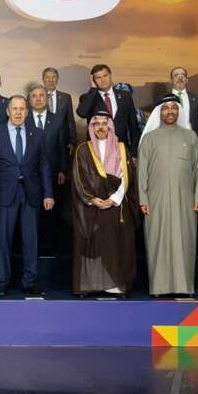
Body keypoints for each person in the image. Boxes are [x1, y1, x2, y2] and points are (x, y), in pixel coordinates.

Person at [0, 96, 54, 297]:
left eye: (22, 109)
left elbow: (44, 166)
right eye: (14, 109)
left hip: (31, 193)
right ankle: (2, 282)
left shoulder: (37, 134)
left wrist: (48, 194)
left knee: (31, 240)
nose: (18, 112)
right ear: (7, 111)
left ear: (27, 112)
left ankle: (29, 282)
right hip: (4, 194)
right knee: (3, 240)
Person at [137, 95, 198, 297]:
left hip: (185, 199)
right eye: (165, 108)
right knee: (157, 240)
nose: (170, 111)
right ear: (159, 112)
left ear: (179, 111)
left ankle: (184, 287)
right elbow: (142, 172)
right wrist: (143, 199)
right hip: (155, 199)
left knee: (184, 240)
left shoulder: (190, 137)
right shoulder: (149, 139)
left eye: (173, 108)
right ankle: (158, 287)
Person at [71, 111, 138, 297]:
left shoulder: (121, 148)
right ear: (92, 127)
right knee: (90, 242)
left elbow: (127, 176)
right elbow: (78, 178)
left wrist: (115, 198)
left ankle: (115, 285)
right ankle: (91, 285)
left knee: (115, 243)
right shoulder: (82, 149)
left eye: (104, 123)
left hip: (115, 204)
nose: (101, 127)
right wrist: (92, 199)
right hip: (91, 206)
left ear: (110, 127)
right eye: (97, 124)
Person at [26, 84, 68, 255]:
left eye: (41, 95)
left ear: (47, 98)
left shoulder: (57, 119)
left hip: (52, 172)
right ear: (29, 100)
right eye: (34, 96)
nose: (38, 99)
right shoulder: (23, 118)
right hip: (28, 174)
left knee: (51, 211)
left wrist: (63, 170)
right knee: (31, 212)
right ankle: (31, 247)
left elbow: (62, 146)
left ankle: (50, 248)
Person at [76, 64, 141, 155]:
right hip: (97, 151)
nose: (103, 80)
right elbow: (82, 113)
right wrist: (93, 89)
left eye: (105, 76)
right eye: (98, 78)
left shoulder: (125, 96)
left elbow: (133, 126)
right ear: (93, 80)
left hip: (121, 149)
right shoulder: (88, 97)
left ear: (110, 75)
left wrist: (133, 153)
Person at [169, 67, 198, 150]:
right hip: (170, 143)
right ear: (171, 80)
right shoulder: (163, 99)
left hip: (192, 144)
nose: (180, 77)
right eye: (176, 75)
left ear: (186, 80)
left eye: (183, 75)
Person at [41, 67, 76, 155]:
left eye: (54, 77)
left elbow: (70, 121)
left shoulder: (66, 97)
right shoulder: (36, 97)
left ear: (57, 79)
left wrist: (73, 141)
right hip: (42, 142)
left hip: (63, 143)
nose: (51, 80)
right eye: (47, 77)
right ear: (43, 79)